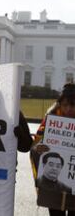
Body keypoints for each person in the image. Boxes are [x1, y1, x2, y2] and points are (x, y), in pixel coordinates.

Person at [31, 82, 75, 216]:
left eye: (73, 105)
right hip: (53, 189)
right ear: (59, 104)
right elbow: (34, 147)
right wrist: (39, 148)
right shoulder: (50, 122)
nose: (69, 109)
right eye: (65, 105)